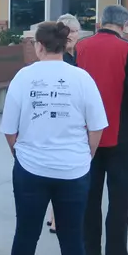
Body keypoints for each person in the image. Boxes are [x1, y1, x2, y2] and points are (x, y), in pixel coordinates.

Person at [1, 21, 107, 255]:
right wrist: (87, 155)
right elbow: (97, 126)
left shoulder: (23, 77)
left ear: (38, 46)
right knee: (72, 236)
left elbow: (9, 129)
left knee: (26, 232)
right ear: (64, 45)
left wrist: (19, 153)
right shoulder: (82, 78)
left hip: (30, 168)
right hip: (73, 170)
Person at [75, 5, 128, 255]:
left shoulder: (81, 47)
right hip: (121, 133)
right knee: (120, 197)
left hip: (86, 135)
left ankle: (89, 253)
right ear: (124, 24)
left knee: (90, 196)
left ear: (100, 22)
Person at [47, 12, 83, 235]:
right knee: (58, 171)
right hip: (59, 118)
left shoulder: (75, 54)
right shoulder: (63, 59)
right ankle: (55, 219)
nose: (77, 35)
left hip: (67, 117)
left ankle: (53, 217)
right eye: (75, 31)